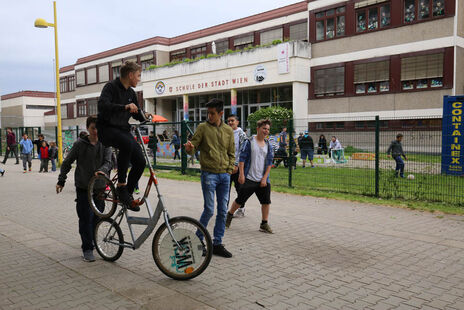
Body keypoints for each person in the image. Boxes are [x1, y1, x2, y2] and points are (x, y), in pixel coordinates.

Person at [97, 61, 152, 211]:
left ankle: (126, 195)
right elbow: (102, 106)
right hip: (106, 129)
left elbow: (138, 114)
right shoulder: (110, 87)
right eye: (138, 75)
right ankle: (121, 185)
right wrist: (124, 107)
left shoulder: (131, 93)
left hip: (122, 129)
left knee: (140, 162)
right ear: (130, 75)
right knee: (127, 143)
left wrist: (145, 115)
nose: (139, 79)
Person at [56, 116, 112, 262]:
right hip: (83, 188)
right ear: (87, 128)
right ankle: (87, 248)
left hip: (99, 187)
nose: (96, 131)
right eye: (93, 128)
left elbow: (108, 162)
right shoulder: (80, 144)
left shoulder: (105, 143)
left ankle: (93, 242)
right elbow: (67, 163)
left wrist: (102, 170)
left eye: (99, 128)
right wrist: (61, 180)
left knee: (97, 218)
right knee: (85, 218)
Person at [184, 98, 235, 258]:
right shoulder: (202, 128)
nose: (209, 116)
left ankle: (217, 244)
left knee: (222, 211)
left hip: (224, 177)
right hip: (209, 175)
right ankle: (197, 240)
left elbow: (232, 153)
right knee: (209, 210)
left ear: (220, 113)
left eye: (212, 113)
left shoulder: (228, 130)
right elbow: (192, 148)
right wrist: (189, 148)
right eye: (208, 113)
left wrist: (228, 169)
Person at [226, 119, 274, 234]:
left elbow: (269, 163)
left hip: (262, 180)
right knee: (240, 200)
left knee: (266, 202)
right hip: (249, 178)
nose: (266, 131)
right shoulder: (249, 142)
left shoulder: (268, 145)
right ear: (258, 129)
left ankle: (264, 223)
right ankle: (229, 216)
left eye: (267, 129)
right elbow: (242, 159)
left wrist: (264, 179)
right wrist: (241, 174)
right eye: (264, 128)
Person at [226, 114, 247, 218]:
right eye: (228, 121)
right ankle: (224, 210)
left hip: (237, 167)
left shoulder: (241, 134)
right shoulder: (225, 132)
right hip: (226, 167)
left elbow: (243, 151)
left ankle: (241, 208)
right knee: (225, 189)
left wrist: (236, 165)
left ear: (237, 122)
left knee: (239, 189)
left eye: (232, 121)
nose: (230, 123)